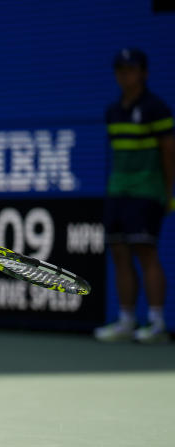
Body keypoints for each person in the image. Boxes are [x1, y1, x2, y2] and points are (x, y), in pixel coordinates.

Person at [94, 48, 174, 344]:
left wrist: (168, 193)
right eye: (120, 69)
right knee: (119, 253)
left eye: (131, 69)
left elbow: (169, 153)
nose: (124, 75)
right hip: (118, 191)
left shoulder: (157, 108)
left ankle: (156, 323)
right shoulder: (113, 111)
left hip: (147, 192)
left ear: (144, 73)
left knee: (146, 253)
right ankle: (127, 320)